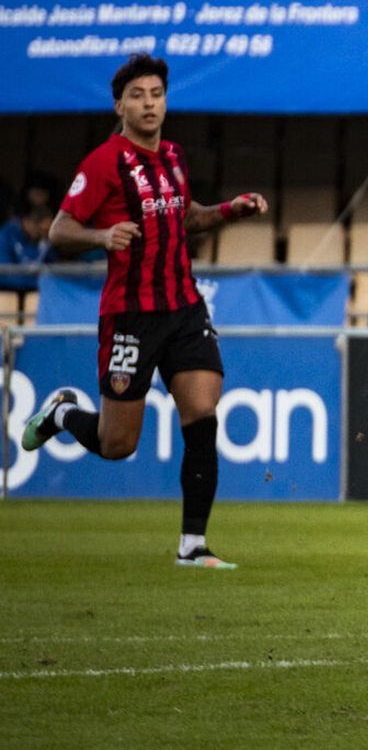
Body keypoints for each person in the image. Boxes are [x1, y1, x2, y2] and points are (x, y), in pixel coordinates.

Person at [20, 54, 271, 569]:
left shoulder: (174, 156)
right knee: (118, 444)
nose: (149, 102)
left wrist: (230, 211)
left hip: (182, 305)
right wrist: (101, 236)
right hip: (130, 315)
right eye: (138, 95)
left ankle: (192, 545)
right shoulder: (103, 162)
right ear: (120, 105)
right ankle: (62, 412)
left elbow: (187, 218)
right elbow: (60, 229)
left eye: (156, 93)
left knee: (202, 411)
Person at [0, 204, 56, 291]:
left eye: (48, 231)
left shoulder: (45, 239)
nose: (45, 235)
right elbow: (4, 273)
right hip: (6, 291)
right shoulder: (6, 236)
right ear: (28, 222)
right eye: (42, 230)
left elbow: (52, 266)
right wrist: (40, 282)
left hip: (35, 291)